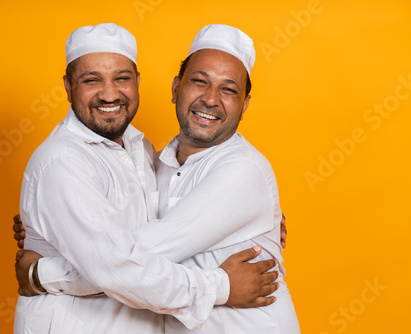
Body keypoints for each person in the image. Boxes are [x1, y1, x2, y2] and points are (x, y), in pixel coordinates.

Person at [14, 23, 281, 334]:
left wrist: (41, 273)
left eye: (229, 89)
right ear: (175, 88)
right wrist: (220, 286)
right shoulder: (62, 162)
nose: (110, 93)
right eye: (91, 80)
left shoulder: (148, 154)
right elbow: (119, 263)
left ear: (244, 104)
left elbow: (121, 261)